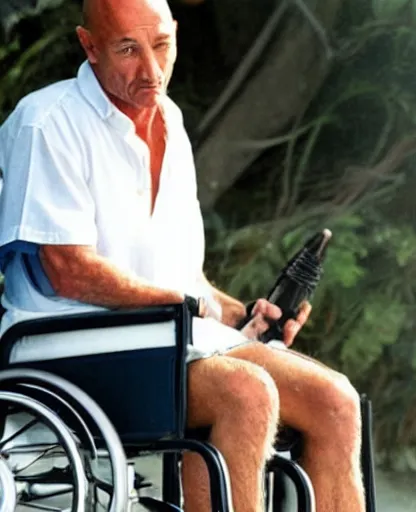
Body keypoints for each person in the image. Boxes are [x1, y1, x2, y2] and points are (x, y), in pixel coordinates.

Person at [0, 0, 365, 510]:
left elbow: (184, 277)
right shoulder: (46, 121)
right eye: (127, 49)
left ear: (176, 33)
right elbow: (66, 268)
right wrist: (181, 305)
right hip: (70, 345)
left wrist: (242, 315)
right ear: (89, 45)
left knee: (337, 401)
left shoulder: (171, 121)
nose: (150, 70)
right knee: (245, 391)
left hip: (169, 337)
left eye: (161, 45)